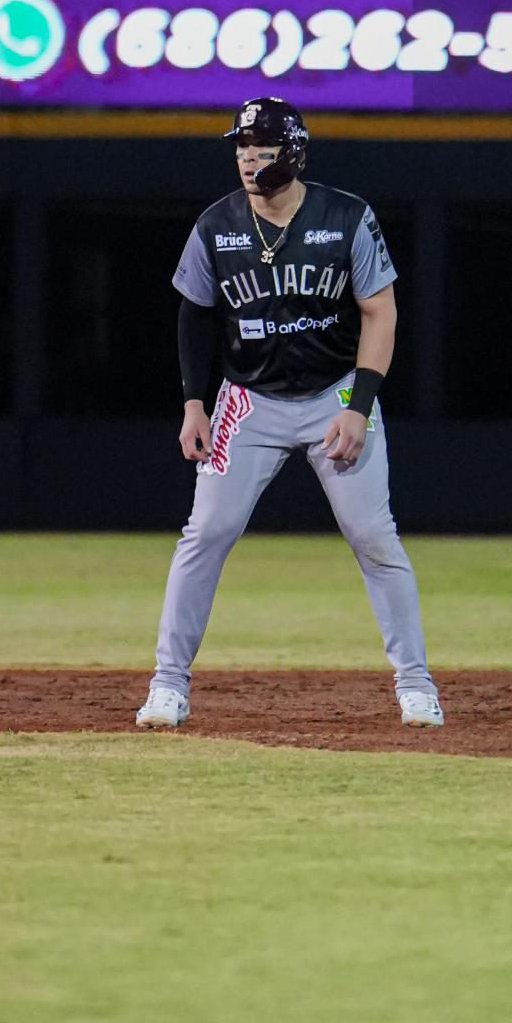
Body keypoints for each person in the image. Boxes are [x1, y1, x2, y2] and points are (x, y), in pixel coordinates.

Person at [136, 97, 443, 732]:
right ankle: (167, 684)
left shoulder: (345, 216)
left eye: (263, 148)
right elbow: (193, 312)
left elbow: (380, 313)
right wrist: (195, 401)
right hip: (248, 401)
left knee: (374, 539)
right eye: (242, 147)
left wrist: (359, 405)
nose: (249, 158)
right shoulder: (216, 224)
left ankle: (416, 684)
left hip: (334, 395)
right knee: (205, 535)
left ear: (294, 152)